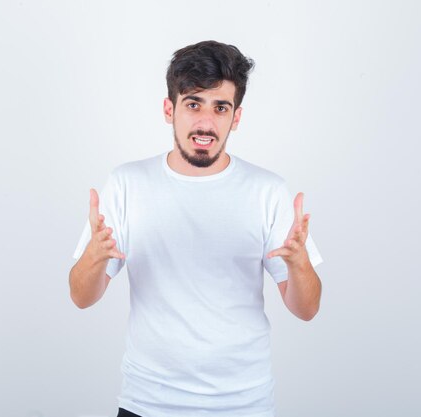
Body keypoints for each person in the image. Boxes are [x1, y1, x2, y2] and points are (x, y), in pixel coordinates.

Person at [70, 40, 324, 417]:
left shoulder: (267, 190)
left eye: (220, 107)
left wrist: (299, 262)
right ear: (169, 109)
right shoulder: (127, 183)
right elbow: (81, 297)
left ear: (236, 117)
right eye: (193, 104)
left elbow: (307, 310)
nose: (206, 122)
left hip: (244, 405)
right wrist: (95, 255)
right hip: (147, 403)